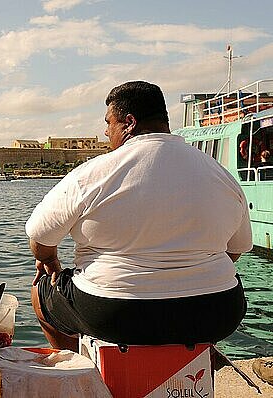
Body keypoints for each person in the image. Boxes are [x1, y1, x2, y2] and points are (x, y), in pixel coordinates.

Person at [26, 81, 252, 349]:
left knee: (41, 295)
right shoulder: (219, 173)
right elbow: (237, 250)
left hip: (114, 312)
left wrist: (50, 261)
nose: (106, 131)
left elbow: (39, 236)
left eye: (109, 123)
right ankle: (195, 359)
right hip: (216, 312)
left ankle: (78, 375)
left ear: (129, 122)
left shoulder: (94, 173)